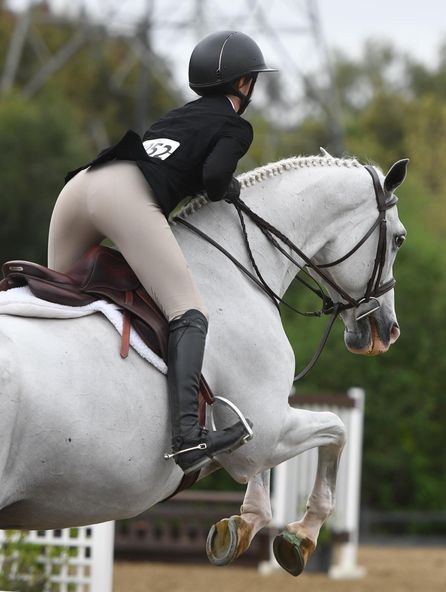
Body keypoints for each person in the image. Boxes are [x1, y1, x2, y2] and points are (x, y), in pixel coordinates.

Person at [47, 31, 277, 475]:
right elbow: (213, 180)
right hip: (124, 195)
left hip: (81, 187)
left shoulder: (179, 115)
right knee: (188, 312)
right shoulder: (234, 125)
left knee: (57, 305)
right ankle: (188, 437)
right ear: (244, 85)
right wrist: (228, 186)